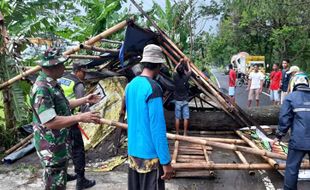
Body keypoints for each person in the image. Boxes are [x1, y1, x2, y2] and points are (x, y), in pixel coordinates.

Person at [31, 48, 101, 190]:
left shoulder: (52, 84)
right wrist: (80, 117)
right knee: (55, 185)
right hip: (51, 148)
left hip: (59, 144)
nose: (64, 68)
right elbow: (50, 122)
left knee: (60, 182)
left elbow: (62, 105)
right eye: (62, 64)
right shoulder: (42, 89)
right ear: (52, 67)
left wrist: (84, 100)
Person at [125, 44, 173, 190]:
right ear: (158, 65)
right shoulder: (153, 88)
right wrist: (166, 162)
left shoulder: (130, 86)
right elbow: (157, 128)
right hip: (150, 158)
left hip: (133, 154)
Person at [58, 63, 96, 190]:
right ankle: (81, 180)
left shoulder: (63, 78)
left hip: (57, 120)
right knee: (77, 149)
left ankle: (63, 175)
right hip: (70, 120)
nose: (84, 75)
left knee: (62, 148)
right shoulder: (78, 84)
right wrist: (89, 116)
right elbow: (83, 104)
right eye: (84, 72)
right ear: (78, 71)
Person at [273, 74, 310, 190]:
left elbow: (285, 119)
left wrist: (278, 136)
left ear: (293, 84)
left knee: (292, 169)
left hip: (298, 141)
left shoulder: (290, 98)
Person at [173, 58, 192, 136]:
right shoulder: (185, 78)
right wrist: (187, 62)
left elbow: (174, 70)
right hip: (185, 100)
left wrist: (179, 62)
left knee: (177, 118)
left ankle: (177, 133)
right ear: (183, 71)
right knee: (185, 117)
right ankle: (184, 133)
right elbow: (190, 71)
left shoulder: (175, 77)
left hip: (177, 100)